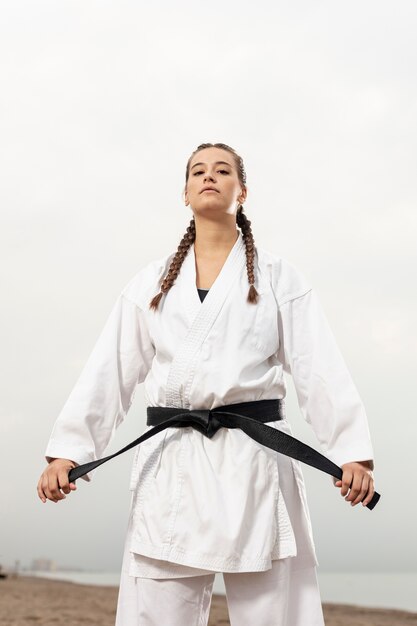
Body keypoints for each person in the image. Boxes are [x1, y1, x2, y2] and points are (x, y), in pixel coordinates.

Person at [37, 142, 376, 626]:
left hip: (254, 460)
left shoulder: (280, 278)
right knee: (156, 609)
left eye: (222, 170)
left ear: (243, 191)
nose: (209, 177)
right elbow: (110, 370)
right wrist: (69, 450)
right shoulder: (150, 283)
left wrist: (352, 452)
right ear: (185, 192)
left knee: (273, 613)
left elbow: (318, 366)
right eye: (198, 171)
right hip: (173, 461)